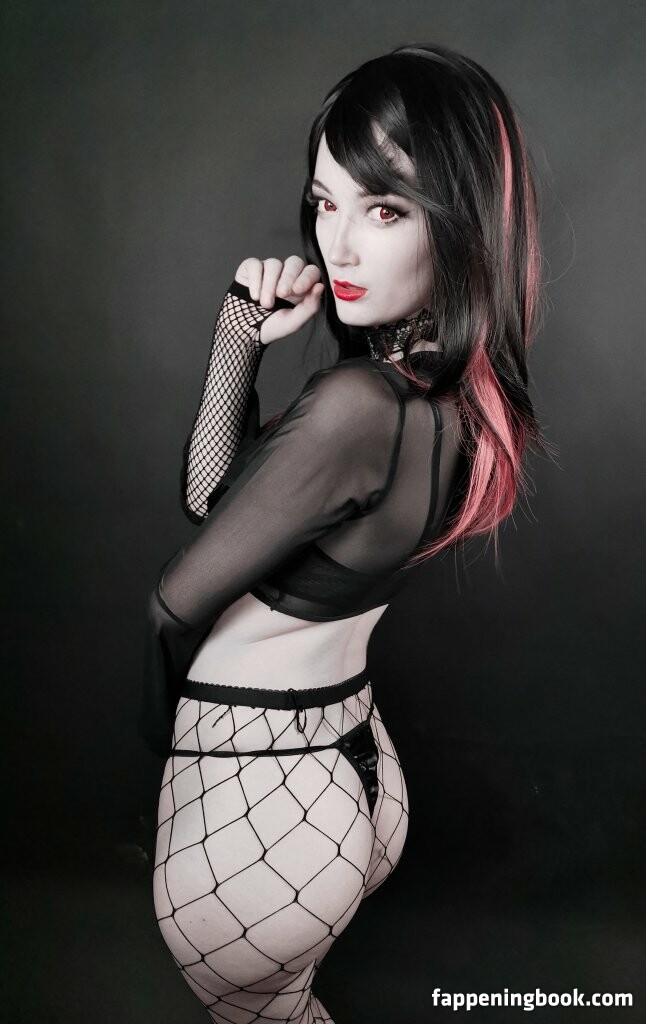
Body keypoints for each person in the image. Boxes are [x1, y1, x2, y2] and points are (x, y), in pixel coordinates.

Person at [140, 42, 547, 1024]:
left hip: (259, 788)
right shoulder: (460, 400)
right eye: (326, 204)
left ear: (461, 218)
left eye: (386, 209)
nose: (339, 246)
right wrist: (240, 333)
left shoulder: (358, 406)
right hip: (349, 767)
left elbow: (172, 602)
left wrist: (172, 758)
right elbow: (223, 500)